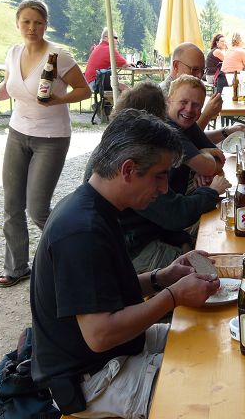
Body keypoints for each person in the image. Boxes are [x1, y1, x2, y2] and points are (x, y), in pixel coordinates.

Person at [31, 108, 220, 418]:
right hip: (93, 379)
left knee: (216, 338)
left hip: (117, 352)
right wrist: (173, 296)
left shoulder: (94, 205)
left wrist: (162, 277)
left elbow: (103, 293)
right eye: (160, 175)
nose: (164, 188)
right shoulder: (82, 230)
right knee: (210, 395)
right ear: (128, 169)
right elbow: (100, 334)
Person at [0, 0, 91, 288]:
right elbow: (8, 88)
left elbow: (84, 90)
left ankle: (77, 253)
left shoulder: (58, 56)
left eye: (38, 22)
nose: (31, 27)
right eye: (26, 22)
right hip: (18, 132)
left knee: (37, 208)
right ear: (18, 24)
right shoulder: (13, 53)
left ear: (45, 25)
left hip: (51, 138)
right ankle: (16, 268)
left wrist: (59, 99)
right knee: (12, 205)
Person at [82, 81, 230, 272]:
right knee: (213, 270)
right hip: (132, 250)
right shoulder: (137, 157)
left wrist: (182, 240)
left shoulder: (131, 143)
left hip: (150, 234)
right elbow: (174, 214)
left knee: (211, 247)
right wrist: (209, 192)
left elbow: (165, 214)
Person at [158, 42, 238, 137]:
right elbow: (181, 140)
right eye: (194, 69)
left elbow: (196, 138)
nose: (200, 76)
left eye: (202, 71)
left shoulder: (183, 92)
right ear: (176, 66)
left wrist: (228, 131)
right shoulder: (161, 98)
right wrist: (206, 115)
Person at [166, 74, 228, 194]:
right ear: (168, 101)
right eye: (183, 102)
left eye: (196, 105)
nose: (189, 109)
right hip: (164, 202)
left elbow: (220, 159)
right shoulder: (168, 130)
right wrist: (204, 154)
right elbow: (207, 167)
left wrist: (203, 169)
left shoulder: (188, 125)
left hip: (179, 197)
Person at [84, 27, 130, 91]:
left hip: (90, 82)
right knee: (126, 89)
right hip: (96, 82)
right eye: (115, 38)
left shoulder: (99, 47)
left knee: (120, 86)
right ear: (107, 37)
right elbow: (124, 64)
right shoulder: (108, 49)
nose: (117, 40)